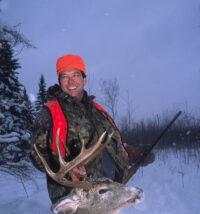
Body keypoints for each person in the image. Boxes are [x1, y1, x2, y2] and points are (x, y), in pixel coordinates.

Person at [30, 54, 154, 205]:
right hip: (80, 195)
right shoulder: (50, 113)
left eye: (76, 75)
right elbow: (36, 154)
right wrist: (66, 169)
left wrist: (133, 154)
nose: (71, 82)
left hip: (111, 188)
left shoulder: (96, 110)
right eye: (65, 76)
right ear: (59, 81)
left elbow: (110, 142)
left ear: (84, 79)